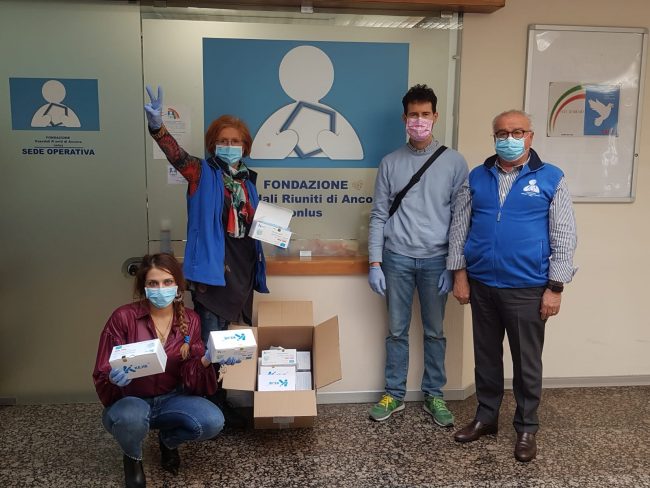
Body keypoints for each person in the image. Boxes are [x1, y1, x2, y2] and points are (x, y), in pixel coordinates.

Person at [448, 110, 577, 462]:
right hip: (482, 284)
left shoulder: (551, 178)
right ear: (494, 138)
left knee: (526, 362)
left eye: (517, 132)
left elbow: (564, 234)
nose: (510, 139)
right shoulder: (477, 176)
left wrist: (555, 287)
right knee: (486, 357)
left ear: (530, 136)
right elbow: (460, 228)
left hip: (528, 287)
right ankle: (486, 417)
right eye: (502, 133)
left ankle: (526, 427)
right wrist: (459, 274)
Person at [144, 86, 269, 428]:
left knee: (229, 345)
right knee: (209, 345)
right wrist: (157, 126)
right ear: (213, 144)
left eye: (236, 141)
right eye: (223, 141)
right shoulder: (200, 173)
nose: (230, 146)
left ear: (245, 146)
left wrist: (275, 232)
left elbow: (253, 225)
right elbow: (176, 156)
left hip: (242, 268)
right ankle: (206, 409)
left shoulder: (249, 182)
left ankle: (221, 404)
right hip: (213, 270)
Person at [367, 84, 469, 425]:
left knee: (434, 331)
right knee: (396, 331)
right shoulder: (390, 163)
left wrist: (454, 265)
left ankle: (434, 394)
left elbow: (461, 218)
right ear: (404, 118)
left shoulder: (454, 162)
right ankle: (394, 394)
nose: (419, 120)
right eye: (414, 115)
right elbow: (378, 215)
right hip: (396, 257)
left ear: (435, 116)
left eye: (425, 114)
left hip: (436, 261)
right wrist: (375, 262)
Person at [93, 253, 234, 488]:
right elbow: (103, 368)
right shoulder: (123, 317)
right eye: (153, 283)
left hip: (172, 398)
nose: (161, 289)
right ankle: (132, 457)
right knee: (130, 418)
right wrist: (112, 377)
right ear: (144, 287)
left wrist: (207, 360)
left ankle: (168, 441)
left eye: (167, 282)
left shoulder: (190, 319)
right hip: (132, 400)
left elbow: (190, 372)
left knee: (212, 421)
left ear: (178, 285)